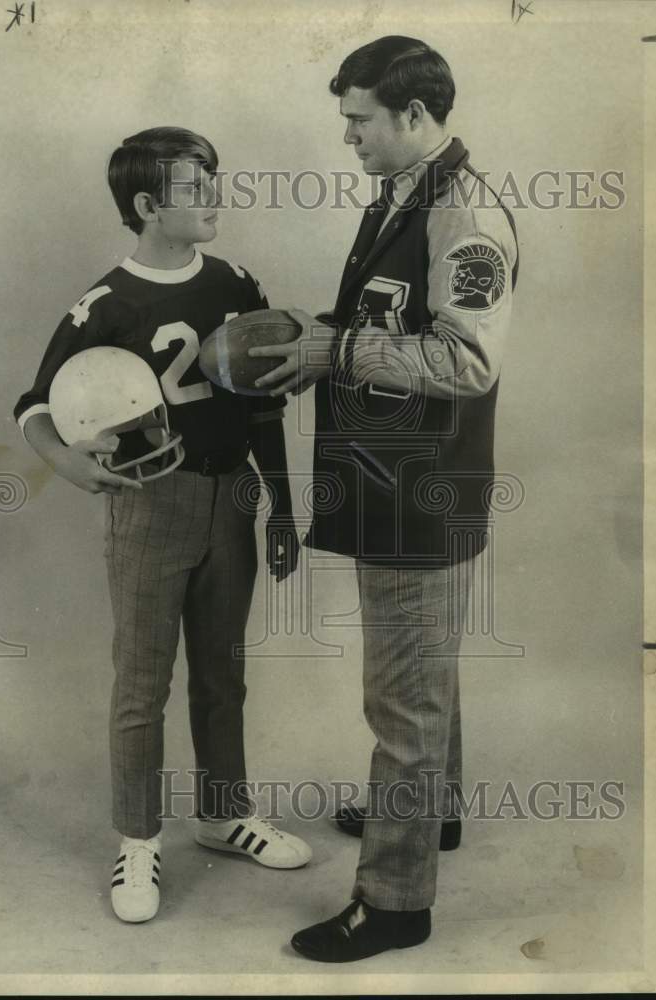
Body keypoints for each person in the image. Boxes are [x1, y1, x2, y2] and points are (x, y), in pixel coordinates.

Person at [251, 36, 519, 961]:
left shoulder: (464, 211)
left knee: (402, 699)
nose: (349, 138)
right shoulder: (407, 190)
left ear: (413, 117)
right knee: (425, 675)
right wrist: (315, 341)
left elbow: (468, 361)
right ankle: (431, 812)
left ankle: (397, 900)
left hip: (419, 491)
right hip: (391, 479)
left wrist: (339, 353)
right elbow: (386, 319)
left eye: (360, 121)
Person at [13, 126, 311, 925]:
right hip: (153, 505)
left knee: (223, 673)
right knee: (143, 685)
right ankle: (137, 839)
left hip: (232, 499)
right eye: (195, 186)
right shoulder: (106, 303)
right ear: (148, 205)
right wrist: (69, 463)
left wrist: (280, 501)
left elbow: (264, 404)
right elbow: (36, 405)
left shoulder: (237, 281)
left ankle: (222, 813)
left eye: (215, 179)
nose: (214, 196)